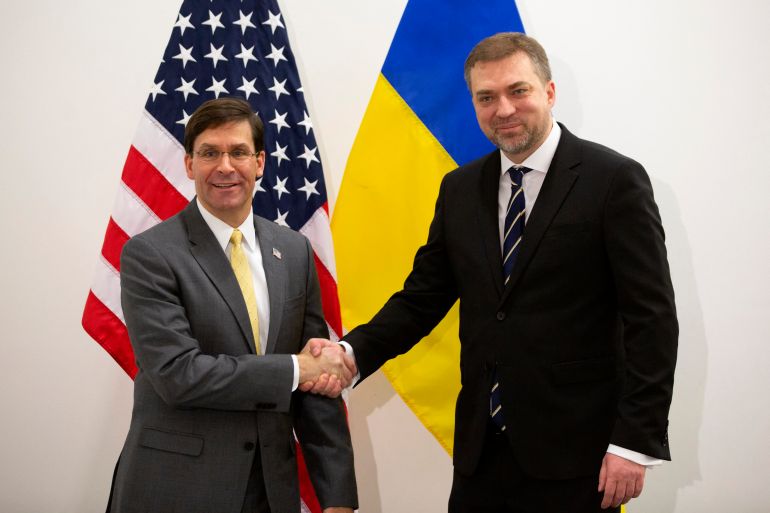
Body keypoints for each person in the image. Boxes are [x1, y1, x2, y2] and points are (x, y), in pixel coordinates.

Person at [304, 32, 677, 512]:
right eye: (486, 97)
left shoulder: (614, 180)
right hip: (481, 455)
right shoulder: (460, 189)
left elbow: (652, 319)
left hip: (581, 455)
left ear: (549, 92)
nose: (503, 109)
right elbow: (422, 299)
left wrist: (633, 443)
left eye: (518, 91)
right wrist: (350, 353)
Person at [107, 97, 358, 513]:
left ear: (259, 163)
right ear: (189, 164)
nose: (225, 166)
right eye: (209, 153)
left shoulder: (294, 251)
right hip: (177, 491)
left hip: (270, 492)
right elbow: (179, 374)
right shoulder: (149, 254)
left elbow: (317, 384)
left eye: (238, 152)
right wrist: (297, 368)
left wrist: (337, 498)